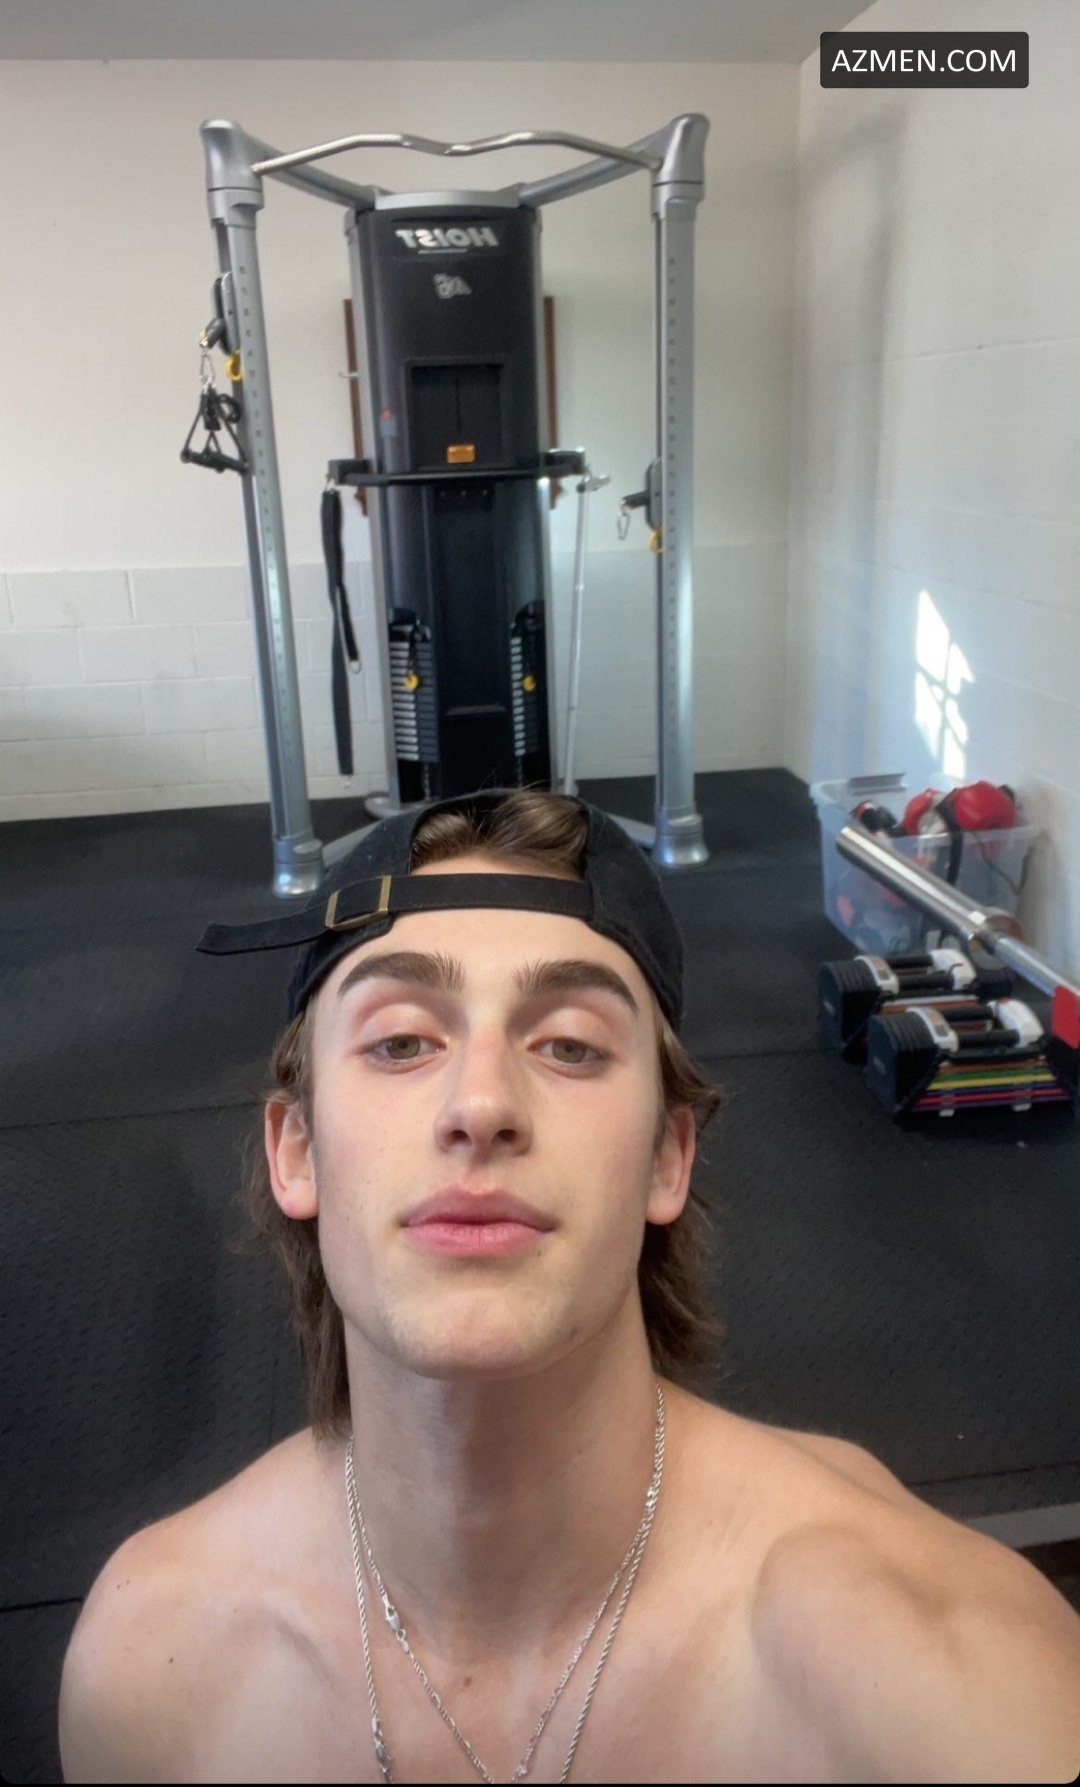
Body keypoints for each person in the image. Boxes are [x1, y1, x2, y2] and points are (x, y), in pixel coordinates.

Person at [60, 789, 1080, 1783]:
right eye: (401, 1040)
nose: (481, 1102)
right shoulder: (150, 1673)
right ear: (297, 1151)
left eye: (570, 1045)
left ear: (666, 1158)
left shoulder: (952, 1692)